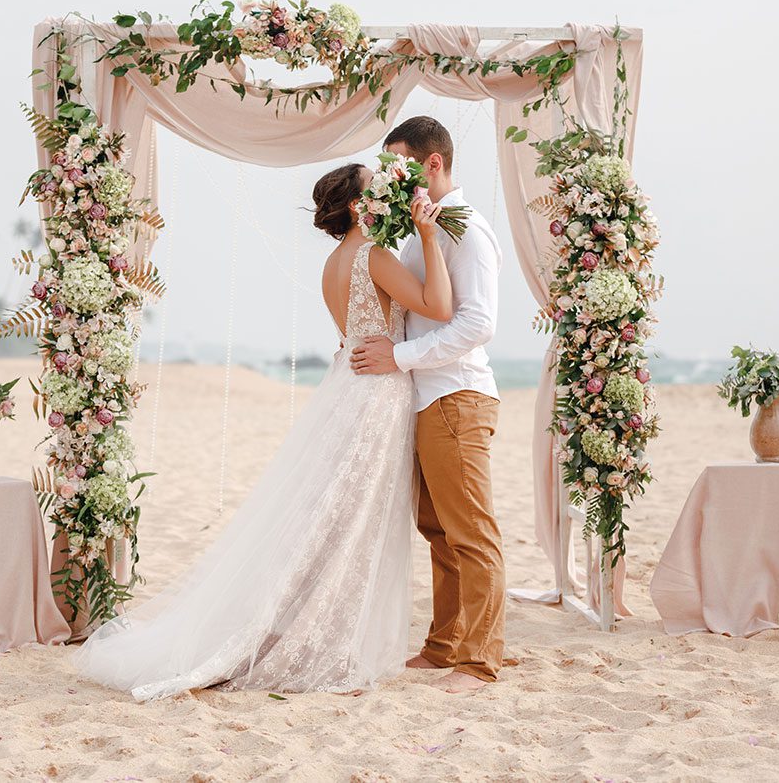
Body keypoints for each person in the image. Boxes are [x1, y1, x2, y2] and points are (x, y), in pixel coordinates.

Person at [73, 162, 453, 700]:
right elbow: (438, 306)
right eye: (378, 188)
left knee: (332, 519)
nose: (387, 193)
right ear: (357, 206)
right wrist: (429, 235)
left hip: (349, 386)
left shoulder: (333, 263)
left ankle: (304, 629)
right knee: (353, 523)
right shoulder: (374, 256)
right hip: (375, 395)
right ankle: (316, 639)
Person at [351, 115, 505, 693]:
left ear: (431, 163)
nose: (391, 176)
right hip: (425, 399)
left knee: (471, 532)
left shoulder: (467, 230)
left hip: (457, 396)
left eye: (399, 163)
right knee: (437, 530)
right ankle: (445, 646)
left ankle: (479, 660)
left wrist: (403, 356)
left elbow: (478, 324)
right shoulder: (425, 229)